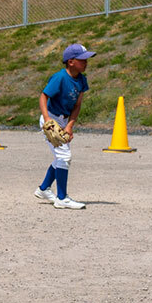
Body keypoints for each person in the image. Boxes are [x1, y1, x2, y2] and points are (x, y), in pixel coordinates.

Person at [33, 43, 95, 210]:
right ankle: (62, 198)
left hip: (63, 121)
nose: (86, 62)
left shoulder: (82, 80)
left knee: (61, 158)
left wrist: (69, 126)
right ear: (71, 61)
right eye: (82, 59)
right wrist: (47, 120)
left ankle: (44, 189)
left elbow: (77, 105)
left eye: (87, 59)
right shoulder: (60, 77)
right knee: (64, 157)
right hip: (51, 119)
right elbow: (43, 97)